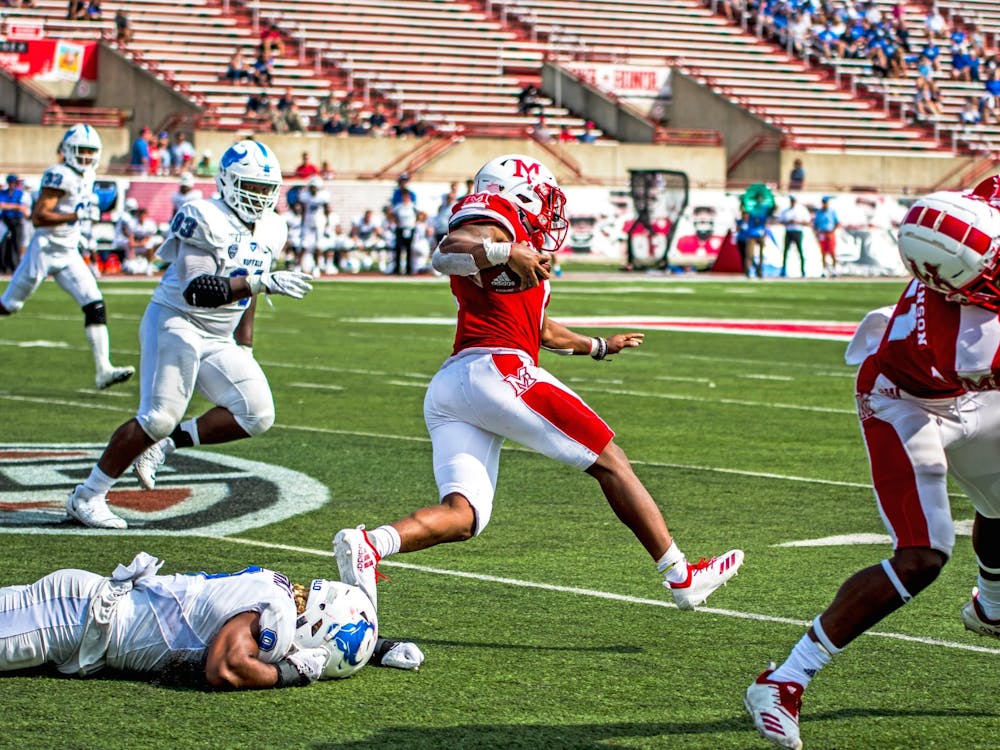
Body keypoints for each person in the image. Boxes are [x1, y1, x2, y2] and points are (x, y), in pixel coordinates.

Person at [332, 153, 743, 612]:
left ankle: (370, 544)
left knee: (464, 515)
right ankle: (680, 575)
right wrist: (505, 250)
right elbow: (445, 252)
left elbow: (542, 331)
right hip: (497, 370)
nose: (550, 212)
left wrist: (599, 346)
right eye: (545, 199)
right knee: (610, 460)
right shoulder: (492, 213)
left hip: (455, 385)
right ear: (517, 190)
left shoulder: (518, 243)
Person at [744, 184, 1000, 750]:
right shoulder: (972, 341)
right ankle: (784, 679)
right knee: (921, 557)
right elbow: (979, 358)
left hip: (967, 391)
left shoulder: (981, 211)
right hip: (906, 405)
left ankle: (993, 607)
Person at [64, 141, 313, 530]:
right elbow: (197, 289)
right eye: (253, 187)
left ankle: (165, 446)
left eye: (267, 189)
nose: (261, 197)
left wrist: (245, 346)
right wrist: (260, 283)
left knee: (257, 412)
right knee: (159, 416)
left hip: (220, 334)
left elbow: (252, 294)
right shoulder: (202, 214)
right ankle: (88, 495)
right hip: (176, 321)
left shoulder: (273, 226)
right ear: (228, 182)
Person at [0, 550, 424, 688]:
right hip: (71, 620)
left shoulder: (276, 590)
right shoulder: (274, 615)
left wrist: (380, 647)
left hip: (80, 609)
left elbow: (331, 623)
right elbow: (225, 666)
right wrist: (289, 675)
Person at [0, 124, 134, 390]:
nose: (85, 156)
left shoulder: (88, 175)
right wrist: (76, 215)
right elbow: (39, 217)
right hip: (45, 250)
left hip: (69, 252)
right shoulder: (59, 174)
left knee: (94, 304)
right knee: (9, 306)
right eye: (80, 150)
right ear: (68, 151)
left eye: (90, 151)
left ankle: (103, 369)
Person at [0, 174, 29, 272]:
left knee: (17, 243)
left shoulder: (20, 193)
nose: (12, 184)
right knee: (3, 243)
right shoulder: (3, 193)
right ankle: (4, 266)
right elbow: (2, 205)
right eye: (10, 182)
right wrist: (16, 206)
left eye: (13, 182)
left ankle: (15, 266)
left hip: (17, 221)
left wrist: (11, 206)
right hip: (5, 220)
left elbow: (23, 207)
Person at [777, 196, 810, 277]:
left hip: (798, 231)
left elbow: (807, 222)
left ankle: (803, 271)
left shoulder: (801, 210)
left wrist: (798, 222)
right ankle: (783, 270)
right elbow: (780, 221)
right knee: (785, 252)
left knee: (800, 251)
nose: (792, 202)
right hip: (789, 232)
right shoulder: (786, 211)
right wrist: (788, 222)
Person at [813, 196, 839, 277]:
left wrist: (832, 232)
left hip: (830, 233)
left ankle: (834, 270)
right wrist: (817, 233)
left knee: (832, 252)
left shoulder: (832, 212)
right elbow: (815, 224)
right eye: (824, 202)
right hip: (822, 233)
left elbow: (837, 223)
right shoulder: (819, 212)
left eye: (826, 202)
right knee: (823, 253)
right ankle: (824, 270)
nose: (825, 204)